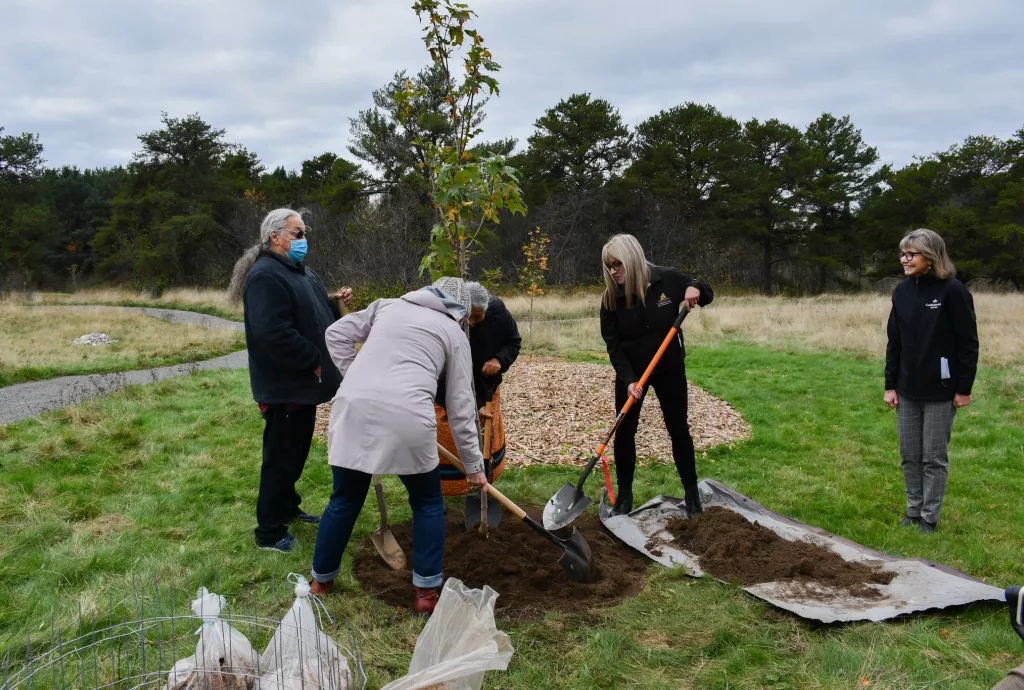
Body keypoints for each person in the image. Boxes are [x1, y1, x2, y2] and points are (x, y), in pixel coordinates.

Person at [310, 278, 487, 614]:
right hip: (408, 416)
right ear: (460, 310)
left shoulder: (387, 305)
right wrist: (475, 468)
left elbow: (335, 334)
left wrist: (355, 376)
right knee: (427, 502)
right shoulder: (453, 334)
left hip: (352, 409)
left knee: (344, 499)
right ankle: (425, 595)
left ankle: (320, 582)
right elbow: (462, 408)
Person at [236, 208, 353, 553]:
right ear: (276, 236)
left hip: (301, 387)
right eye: (298, 233)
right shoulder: (265, 277)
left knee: (294, 453)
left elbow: (312, 314)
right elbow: (272, 332)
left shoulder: (300, 272)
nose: (304, 240)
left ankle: (287, 507)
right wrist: (312, 359)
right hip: (284, 386)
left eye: (304, 233)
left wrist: (335, 303)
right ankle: (269, 532)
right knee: (281, 457)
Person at [599, 233, 713, 517]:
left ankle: (691, 494)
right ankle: (624, 498)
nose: (613, 271)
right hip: (633, 373)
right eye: (609, 266)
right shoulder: (610, 299)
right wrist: (628, 380)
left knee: (678, 428)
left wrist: (695, 288)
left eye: (618, 264)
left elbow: (706, 293)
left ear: (633, 259)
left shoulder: (667, 280)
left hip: (668, 366)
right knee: (625, 432)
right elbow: (613, 345)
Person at [885, 228, 978, 534]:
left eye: (911, 254)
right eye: (902, 253)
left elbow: (968, 343)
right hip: (907, 389)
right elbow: (894, 342)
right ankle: (912, 512)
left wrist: (963, 388)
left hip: (940, 390)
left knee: (933, 458)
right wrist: (890, 385)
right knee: (910, 455)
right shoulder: (901, 291)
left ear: (931, 257)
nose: (904, 259)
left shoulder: (953, 291)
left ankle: (929, 517)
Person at [434, 279, 521, 497]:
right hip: (451, 391)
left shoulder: (498, 312)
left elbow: (514, 341)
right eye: (468, 316)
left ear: (487, 309)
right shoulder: (448, 322)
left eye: (477, 317)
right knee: (452, 440)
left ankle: (483, 487)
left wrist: (499, 360)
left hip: (486, 388)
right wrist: (473, 407)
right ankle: (449, 490)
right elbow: (441, 379)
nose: (471, 322)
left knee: (486, 441)